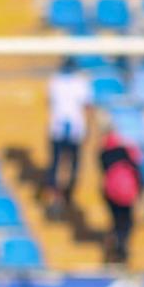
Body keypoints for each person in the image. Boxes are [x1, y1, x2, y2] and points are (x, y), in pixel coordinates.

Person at [46, 57, 92, 209]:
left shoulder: (55, 81)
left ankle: (62, 195)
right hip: (67, 128)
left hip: (65, 128)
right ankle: (60, 196)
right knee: (65, 164)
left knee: (62, 164)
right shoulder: (79, 82)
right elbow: (87, 107)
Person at [100, 126, 143, 263]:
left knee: (116, 221)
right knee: (127, 222)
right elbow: (137, 170)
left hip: (111, 192)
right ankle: (121, 247)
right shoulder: (127, 151)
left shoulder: (104, 154)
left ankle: (116, 245)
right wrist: (140, 190)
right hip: (127, 193)